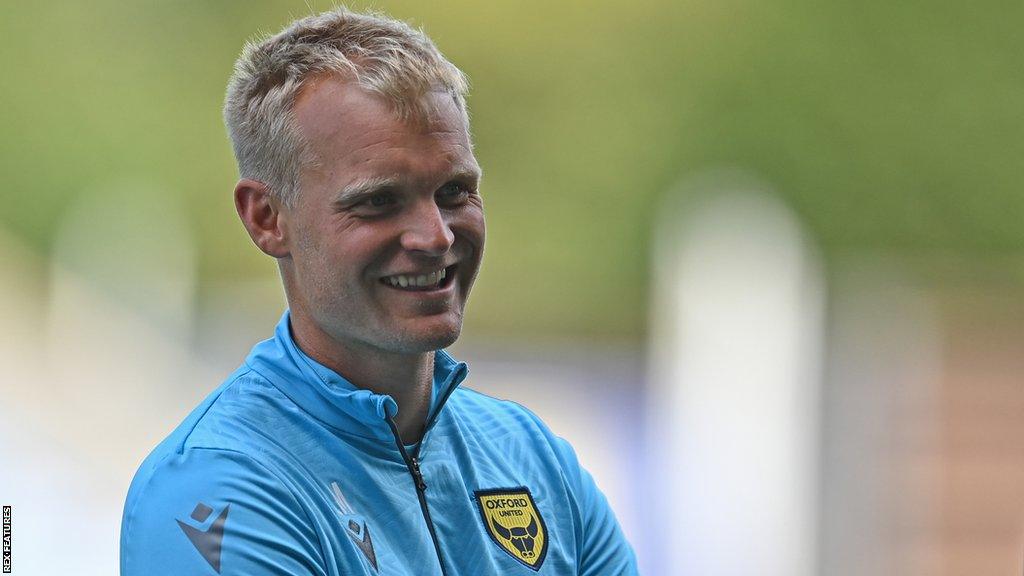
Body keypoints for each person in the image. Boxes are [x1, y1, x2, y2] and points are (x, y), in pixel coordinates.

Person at [119, 8, 638, 575]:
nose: (436, 236)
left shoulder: (531, 457)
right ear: (267, 218)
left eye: (454, 191)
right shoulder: (217, 489)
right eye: (378, 201)